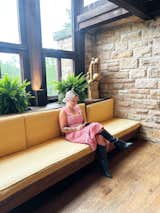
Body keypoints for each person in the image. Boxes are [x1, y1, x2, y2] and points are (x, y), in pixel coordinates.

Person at [59, 90, 133, 179]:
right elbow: (63, 129)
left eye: (76, 101)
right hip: (73, 133)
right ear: (67, 100)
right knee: (96, 125)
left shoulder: (78, 108)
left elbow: (84, 121)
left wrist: (84, 125)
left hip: (83, 129)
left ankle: (105, 168)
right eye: (73, 101)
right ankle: (118, 143)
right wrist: (76, 128)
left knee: (100, 137)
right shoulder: (63, 111)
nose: (75, 103)